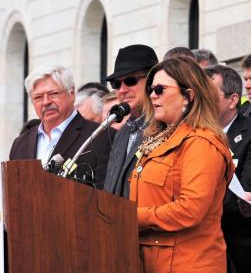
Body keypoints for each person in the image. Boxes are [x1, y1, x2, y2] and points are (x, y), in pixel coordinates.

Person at [129, 56, 234, 272]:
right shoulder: (158, 140)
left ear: (188, 95)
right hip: (152, 262)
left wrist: (134, 217)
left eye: (160, 89)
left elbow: (190, 209)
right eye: (150, 89)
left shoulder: (201, 142)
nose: (152, 95)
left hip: (189, 263)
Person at [205, 64, 251, 273]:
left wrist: (193, 205)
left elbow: (247, 193)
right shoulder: (193, 135)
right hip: (199, 247)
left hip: (238, 249)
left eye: (208, 93)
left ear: (233, 99)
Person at [9, 65, 115, 188]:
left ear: (72, 93)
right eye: (38, 97)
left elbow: (106, 196)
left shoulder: (102, 137)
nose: (46, 102)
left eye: (53, 94)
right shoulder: (20, 144)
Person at [103, 44, 158, 198]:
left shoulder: (165, 126)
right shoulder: (121, 133)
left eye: (130, 80)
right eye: (116, 84)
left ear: (151, 82)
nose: (122, 90)